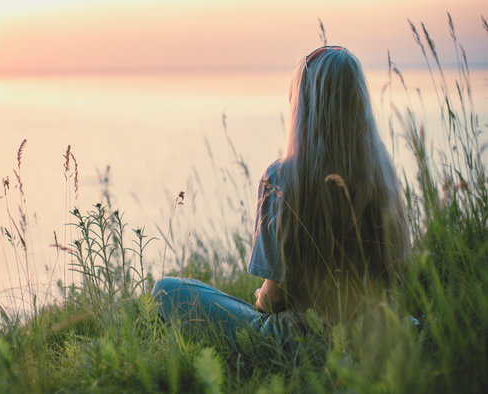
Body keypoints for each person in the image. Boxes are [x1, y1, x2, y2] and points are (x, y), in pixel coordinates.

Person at [151, 46, 410, 350]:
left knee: (168, 290)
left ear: (304, 105)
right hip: (375, 336)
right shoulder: (383, 176)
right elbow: (398, 275)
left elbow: (274, 300)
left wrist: (260, 299)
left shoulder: (283, 178)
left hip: (301, 343)